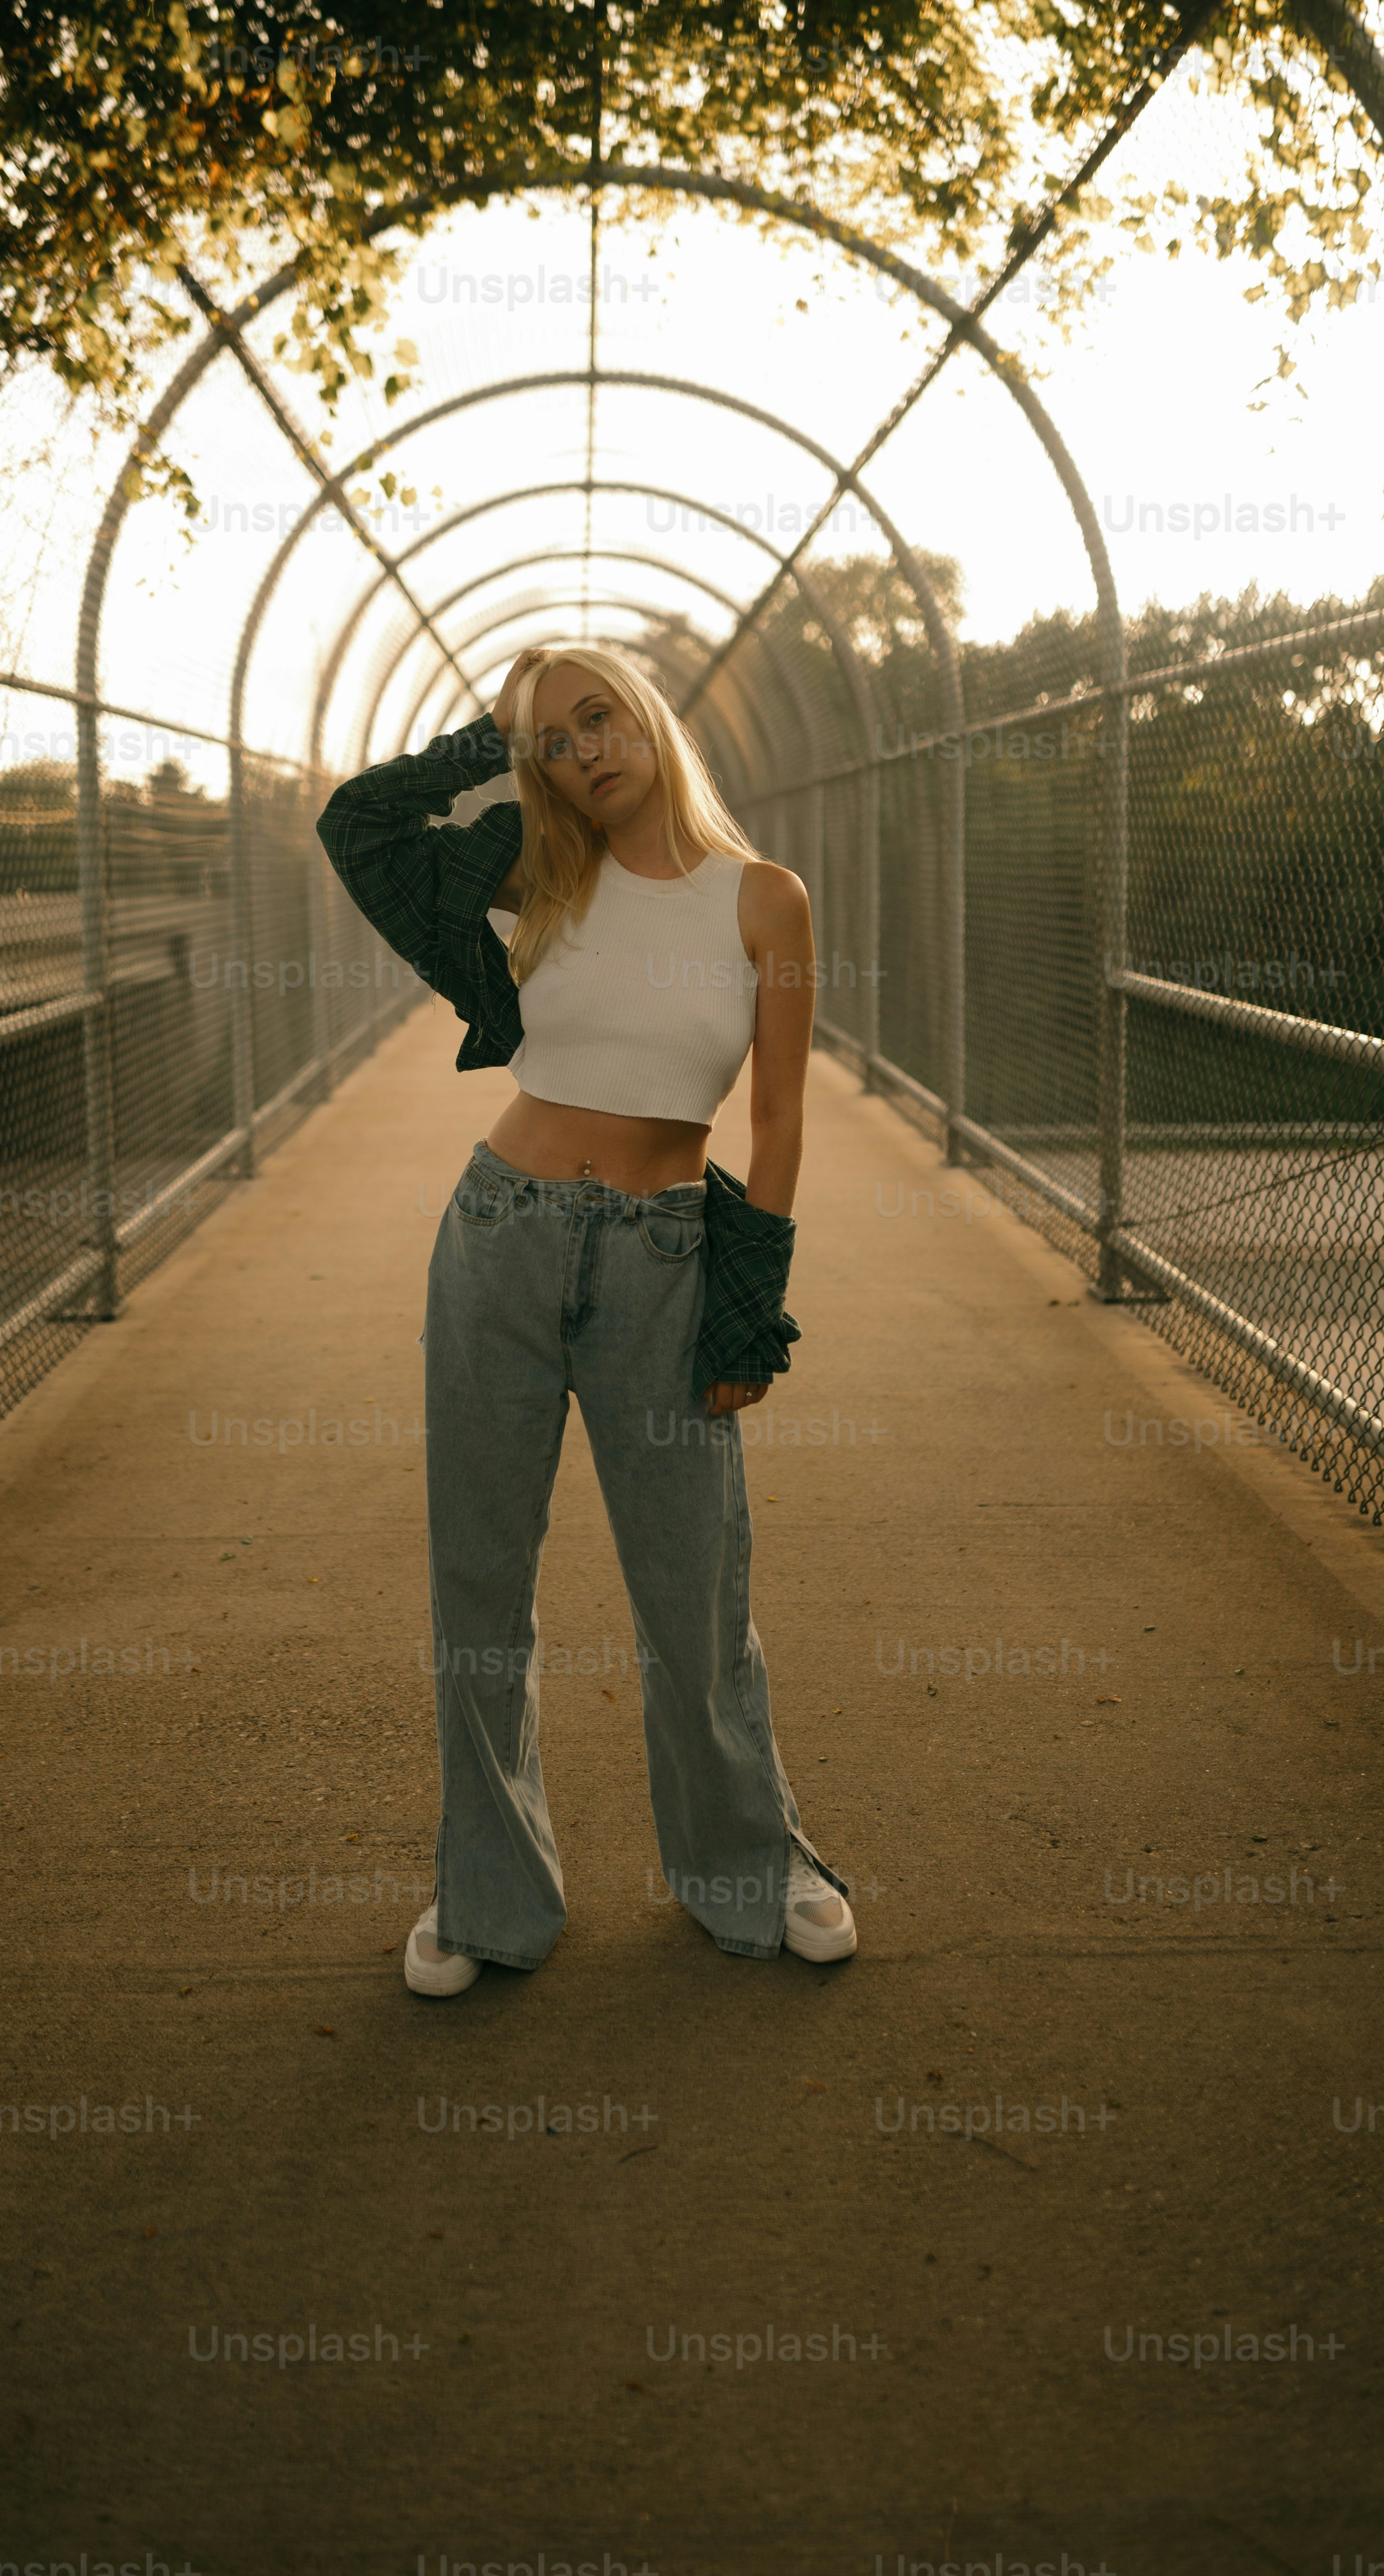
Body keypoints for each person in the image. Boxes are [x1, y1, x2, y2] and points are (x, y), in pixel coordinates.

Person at [316, 641, 854, 1995]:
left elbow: (779, 1125)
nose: (584, 752)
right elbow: (359, 825)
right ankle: (491, 1902)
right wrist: (489, 750)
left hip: (664, 1259)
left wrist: (747, 1314)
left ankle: (752, 1871)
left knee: (697, 1594)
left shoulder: (765, 903)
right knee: (481, 1590)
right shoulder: (533, 873)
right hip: (498, 1239)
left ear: (648, 714)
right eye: (552, 740)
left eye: (597, 718)